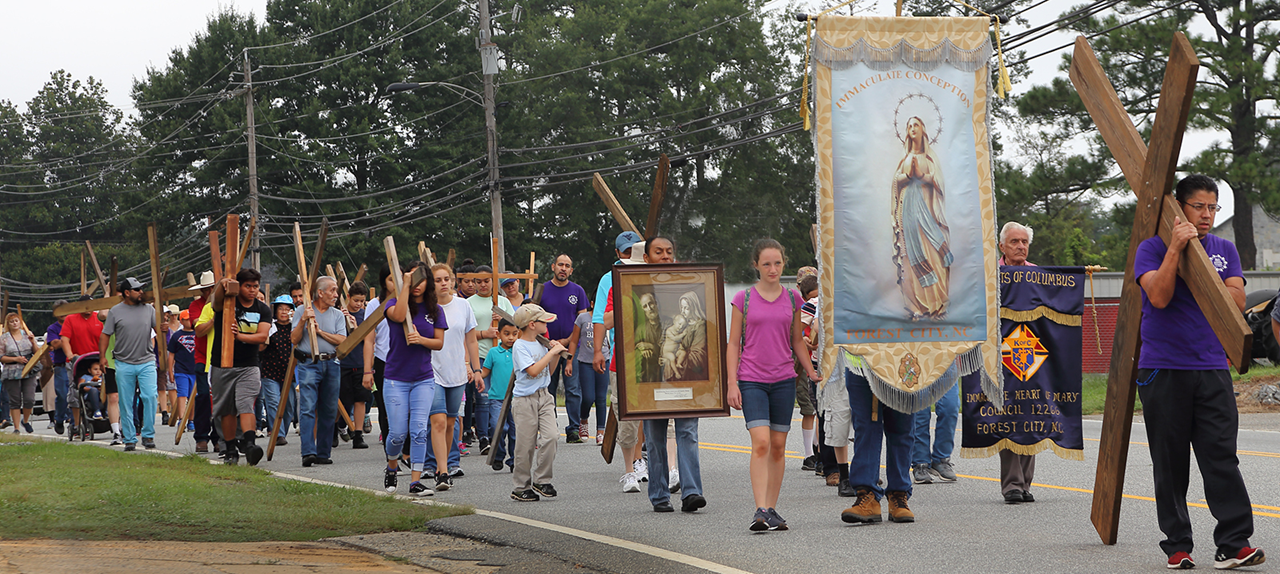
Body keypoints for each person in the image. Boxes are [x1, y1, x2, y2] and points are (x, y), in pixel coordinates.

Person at [1134, 175, 1264, 570]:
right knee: (1170, 461)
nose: (1206, 215)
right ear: (1179, 209)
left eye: (1213, 207)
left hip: (1211, 367)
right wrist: (1176, 247)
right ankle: (1177, 545)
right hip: (1163, 368)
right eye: (1199, 207)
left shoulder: (1224, 248)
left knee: (1221, 456)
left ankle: (1233, 543)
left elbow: (1237, 299)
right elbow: (1158, 295)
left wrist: (1207, 268)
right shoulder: (1151, 248)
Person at [727, 238, 819, 531]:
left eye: (777, 263)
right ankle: (760, 509)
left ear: (784, 263)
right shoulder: (744, 298)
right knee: (762, 443)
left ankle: (771, 509)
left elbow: (796, 341)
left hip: (783, 380)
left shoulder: (793, 298)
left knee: (778, 446)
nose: (772, 268)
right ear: (756, 265)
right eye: (766, 263)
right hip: (752, 379)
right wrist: (732, 383)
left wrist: (812, 372)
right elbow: (733, 344)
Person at [635, 237, 706, 513]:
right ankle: (659, 495)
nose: (665, 256)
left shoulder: (687, 284)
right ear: (647, 257)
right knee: (654, 437)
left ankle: (691, 492)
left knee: (687, 431)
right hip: (652, 381)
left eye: (669, 252)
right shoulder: (636, 285)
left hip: (684, 380)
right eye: (658, 252)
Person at [382, 261, 446, 496]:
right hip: (395, 378)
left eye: (421, 280)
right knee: (397, 433)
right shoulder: (393, 303)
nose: (417, 285)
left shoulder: (435, 310)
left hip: (423, 378)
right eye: (413, 280)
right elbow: (399, 316)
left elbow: (439, 343)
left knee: (419, 430)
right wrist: (405, 286)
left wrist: (421, 340)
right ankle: (391, 467)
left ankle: (415, 481)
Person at [196, 269, 271, 464]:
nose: (252, 290)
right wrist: (223, 284)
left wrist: (240, 336)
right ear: (239, 286)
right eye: (248, 286)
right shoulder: (228, 304)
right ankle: (230, 449)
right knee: (226, 409)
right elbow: (216, 300)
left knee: (246, 404)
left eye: (255, 286)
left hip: (249, 365)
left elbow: (262, 336)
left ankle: (249, 444)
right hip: (223, 364)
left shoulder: (262, 309)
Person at [593, 231, 647, 493]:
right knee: (628, 412)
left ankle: (642, 460)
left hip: (650, 356)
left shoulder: (653, 275)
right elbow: (601, 317)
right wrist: (597, 350)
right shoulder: (609, 280)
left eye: (634, 251)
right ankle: (632, 464)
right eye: (625, 252)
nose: (629, 256)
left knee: (649, 414)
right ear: (618, 254)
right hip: (623, 354)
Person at [891, 116, 952, 320]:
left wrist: (922, 176)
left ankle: (937, 305)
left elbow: (940, 182)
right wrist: (909, 177)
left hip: (928, 210)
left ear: (923, 130)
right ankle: (918, 306)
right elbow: (895, 182)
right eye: (909, 126)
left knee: (934, 254)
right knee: (911, 256)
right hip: (908, 211)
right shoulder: (904, 157)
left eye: (916, 124)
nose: (912, 128)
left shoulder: (930, 156)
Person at [426, 263, 480, 490]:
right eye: (438, 280)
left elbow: (471, 340)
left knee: (450, 422)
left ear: (452, 280)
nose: (443, 283)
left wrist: (476, 370)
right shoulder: (424, 308)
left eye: (446, 278)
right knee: (437, 421)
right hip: (431, 371)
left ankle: (444, 463)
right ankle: (443, 472)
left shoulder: (463, 306)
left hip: (457, 371)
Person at [996, 221, 1038, 503]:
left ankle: (1026, 482)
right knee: (1008, 415)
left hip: (1032, 352)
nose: (1020, 246)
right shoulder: (992, 276)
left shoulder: (1038, 275)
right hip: (1002, 354)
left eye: (1024, 242)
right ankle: (1012, 483)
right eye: (1014, 242)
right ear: (1002, 246)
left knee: (1032, 415)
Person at [509, 304, 566, 502]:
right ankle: (520, 486)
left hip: (544, 396)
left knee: (551, 436)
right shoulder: (520, 346)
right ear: (532, 324)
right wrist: (550, 353)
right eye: (543, 321)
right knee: (525, 445)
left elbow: (547, 372)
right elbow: (532, 372)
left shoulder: (541, 343)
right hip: (525, 400)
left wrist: (555, 354)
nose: (547, 323)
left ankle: (542, 480)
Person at [292, 276, 347, 467]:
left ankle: (323, 452)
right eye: (332, 290)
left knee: (329, 409)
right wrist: (303, 322)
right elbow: (294, 338)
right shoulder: (302, 310)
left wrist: (320, 332)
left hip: (331, 363)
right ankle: (308, 452)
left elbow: (342, 340)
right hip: (308, 363)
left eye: (336, 291)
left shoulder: (337, 314)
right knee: (307, 407)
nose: (336, 294)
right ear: (320, 292)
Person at [101, 277, 160, 451]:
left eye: (141, 289)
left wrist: (163, 329)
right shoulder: (115, 311)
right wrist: (102, 357)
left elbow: (159, 329)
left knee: (150, 396)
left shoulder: (149, 309)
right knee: (126, 402)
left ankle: (148, 435)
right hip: (123, 362)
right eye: (137, 289)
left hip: (146, 360)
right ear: (127, 293)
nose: (141, 292)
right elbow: (105, 334)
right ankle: (129, 438)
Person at [537, 254, 590, 442]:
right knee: (547, 387)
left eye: (567, 266)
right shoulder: (542, 290)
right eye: (560, 264)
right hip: (546, 347)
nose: (563, 268)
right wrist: (549, 343)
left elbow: (583, 322)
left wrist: (567, 341)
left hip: (571, 348)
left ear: (571, 270)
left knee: (573, 389)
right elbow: (534, 319)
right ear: (553, 266)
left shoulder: (578, 291)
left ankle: (573, 429)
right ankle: (549, 427)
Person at [467, 264, 515, 455]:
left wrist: (502, 316)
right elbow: (466, 332)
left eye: (486, 281)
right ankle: (484, 437)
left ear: (493, 281)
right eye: (478, 281)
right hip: (480, 354)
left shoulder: (502, 301)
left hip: (502, 355)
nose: (482, 285)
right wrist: (484, 333)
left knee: (501, 397)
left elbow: (515, 324)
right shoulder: (469, 302)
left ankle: (502, 435)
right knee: (483, 397)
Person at [60, 294, 104, 440]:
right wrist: (70, 355)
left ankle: (106, 417)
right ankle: (77, 424)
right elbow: (65, 339)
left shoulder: (99, 318)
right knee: (75, 392)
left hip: (97, 359)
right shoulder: (70, 319)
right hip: (78, 361)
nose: (88, 310)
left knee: (104, 387)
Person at [338, 281, 375, 450]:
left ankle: (358, 434)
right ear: (348, 297)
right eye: (356, 301)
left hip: (360, 363)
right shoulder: (339, 314)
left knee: (360, 400)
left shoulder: (365, 315)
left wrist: (356, 325)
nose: (359, 304)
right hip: (343, 363)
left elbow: (368, 338)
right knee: (342, 400)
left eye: (362, 301)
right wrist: (344, 318)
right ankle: (336, 427)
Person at [910, 363, 959, 485]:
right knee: (920, 412)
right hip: (918, 355)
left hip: (946, 356)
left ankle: (941, 460)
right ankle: (920, 463)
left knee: (950, 407)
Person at [187, 271, 218, 453]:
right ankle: (201, 437)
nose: (210, 291)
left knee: (221, 400)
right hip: (202, 357)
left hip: (220, 358)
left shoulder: (225, 304)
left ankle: (218, 437)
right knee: (204, 397)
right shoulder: (196, 305)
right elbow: (198, 325)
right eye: (208, 289)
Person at [483, 319, 520, 470]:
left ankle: (514, 460)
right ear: (498, 334)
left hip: (516, 398)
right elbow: (486, 371)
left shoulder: (519, 351)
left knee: (515, 430)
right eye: (506, 334)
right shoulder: (493, 352)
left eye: (514, 334)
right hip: (497, 398)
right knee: (498, 427)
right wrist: (477, 376)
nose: (510, 338)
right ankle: (498, 455)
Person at [259, 295, 296, 446]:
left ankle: (282, 431)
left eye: (287, 309)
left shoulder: (295, 327)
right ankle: (278, 434)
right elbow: (260, 348)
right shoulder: (270, 326)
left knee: (289, 405)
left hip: (290, 372)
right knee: (273, 402)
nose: (284, 312)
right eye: (281, 308)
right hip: (270, 371)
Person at [575, 303, 609, 444]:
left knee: (601, 398)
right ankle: (583, 419)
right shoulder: (582, 318)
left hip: (604, 360)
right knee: (588, 397)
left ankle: (601, 431)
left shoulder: (608, 318)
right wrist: (570, 361)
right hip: (586, 362)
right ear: (592, 303)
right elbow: (574, 340)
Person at [1, 313, 40, 434]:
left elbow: (37, 353)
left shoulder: (27, 334)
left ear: (20, 322)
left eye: (16, 321)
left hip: (28, 369)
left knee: (29, 398)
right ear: (8, 324)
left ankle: (26, 420)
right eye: (11, 321)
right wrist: (15, 359)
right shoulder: (4, 338)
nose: (14, 323)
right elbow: (1, 357)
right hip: (12, 371)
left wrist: (33, 341)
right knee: (15, 400)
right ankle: (16, 428)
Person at [167, 310, 198, 434]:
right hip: (181, 370)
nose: (189, 321)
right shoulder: (177, 336)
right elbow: (171, 354)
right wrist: (170, 370)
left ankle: (191, 420)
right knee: (182, 394)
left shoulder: (198, 334)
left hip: (195, 370)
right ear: (182, 320)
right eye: (186, 319)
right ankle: (181, 419)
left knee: (193, 396)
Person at [45, 301, 71, 436]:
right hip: (61, 365)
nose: (63, 313)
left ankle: (74, 421)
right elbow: (55, 344)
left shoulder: (74, 323)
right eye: (59, 310)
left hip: (75, 363)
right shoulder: (53, 328)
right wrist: (68, 338)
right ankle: (59, 419)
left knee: (75, 394)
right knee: (62, 394)